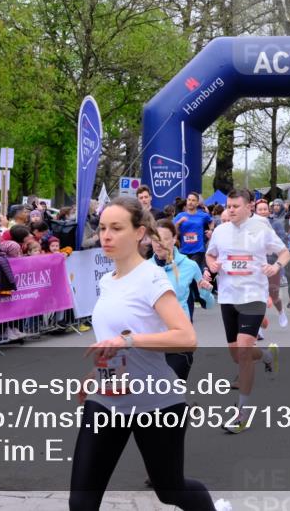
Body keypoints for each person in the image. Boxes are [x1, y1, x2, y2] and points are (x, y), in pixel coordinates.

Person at [69, 197, 226, 511]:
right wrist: (95, 375)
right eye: (102, 228)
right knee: (82, 501)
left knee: (171, 490)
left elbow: (186, 337)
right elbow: (110, 340)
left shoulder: (152, 278)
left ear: (140, 233)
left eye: (116, 228)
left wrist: (129, 342)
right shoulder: (106, 281)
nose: (106, 236)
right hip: (107, 399)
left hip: (156, 401)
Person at [201, 188, 290, 434]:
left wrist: (277, 266)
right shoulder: (220, 230)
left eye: (235, 206)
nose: (230, 210)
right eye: (228, 206)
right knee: (237, 354)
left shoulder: (262, 229)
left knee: (241, 352)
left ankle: (242, 413)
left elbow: (285, 252)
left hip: (253, 296)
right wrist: (213, 265)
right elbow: (210, 256)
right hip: (228, 297)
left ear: (249, 206)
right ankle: (267, 356)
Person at [151, 219, 205, 381]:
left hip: (179, 338)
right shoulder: (144, 269)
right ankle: (187, 407)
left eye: (164, 239)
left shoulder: (189, 266)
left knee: (171, 390)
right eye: (155, 240)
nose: (159, 244)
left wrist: (206, 290)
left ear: (174, 239)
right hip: (152, 339)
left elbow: (207, 302)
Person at [173, 192, 213, 312]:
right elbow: (173, 231)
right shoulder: (180, 215)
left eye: (193, 200)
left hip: (198, 249)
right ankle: (194, 298)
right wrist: (179, 223)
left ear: (197, 203)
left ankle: (199, 297)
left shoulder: (202, 215)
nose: (190, 202)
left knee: (193, 272)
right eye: (189, 200)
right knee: (187, 275)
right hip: (184, 250)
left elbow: (211, 221)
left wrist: (210, 230)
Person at [255, 199, 288, 327]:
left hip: (273, 263)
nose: (263, 212)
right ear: (255, 212)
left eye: (265, 209)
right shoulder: (251, 226)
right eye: (260, 210)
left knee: (274, 295)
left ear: (268, 211)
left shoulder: (276, 224)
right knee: (258, 296)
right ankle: (258, 327)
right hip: (257, 265)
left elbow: (282, 246)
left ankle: (281, 311)